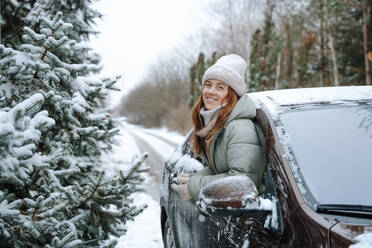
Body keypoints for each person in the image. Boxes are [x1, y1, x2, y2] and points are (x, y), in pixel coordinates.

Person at [171, 54, 265, 201]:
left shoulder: (240, 128)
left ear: (231, 95)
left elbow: (244, 181)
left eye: (220, 87)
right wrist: (195, 178)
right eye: (208, 85)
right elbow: (220, 170)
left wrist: (194, 187)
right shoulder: (214, 125)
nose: (211, 91)